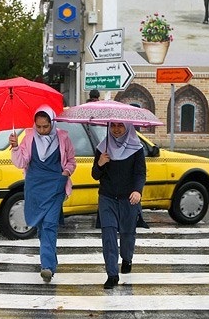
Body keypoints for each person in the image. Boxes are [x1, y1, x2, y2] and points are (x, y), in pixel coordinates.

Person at [9, 106, 76, 283]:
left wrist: (66, 173)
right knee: (40, 225)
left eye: (45, 126)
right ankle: (50, 258)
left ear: (52, 123)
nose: (42, 130)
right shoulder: (29, 136)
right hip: (35, 187)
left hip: (55, 187)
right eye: (38, 126)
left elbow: (71, 161)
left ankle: (47, 266)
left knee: (49, 224)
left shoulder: (63, 137)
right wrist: (15, 148)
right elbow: (21, 162)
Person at [91, 122, 146, 289]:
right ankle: (112, 274)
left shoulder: (136, 148)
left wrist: (137, 190)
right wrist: (100, 163)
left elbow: (140, 172)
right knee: (108, 235)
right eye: (113, 125)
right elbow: (95, 175)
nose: (116, 129)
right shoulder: (103, 147)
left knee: (127, 233)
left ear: (127, 127)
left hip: (129, 198)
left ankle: (127, 258)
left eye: (120, 126)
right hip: (107, 197)